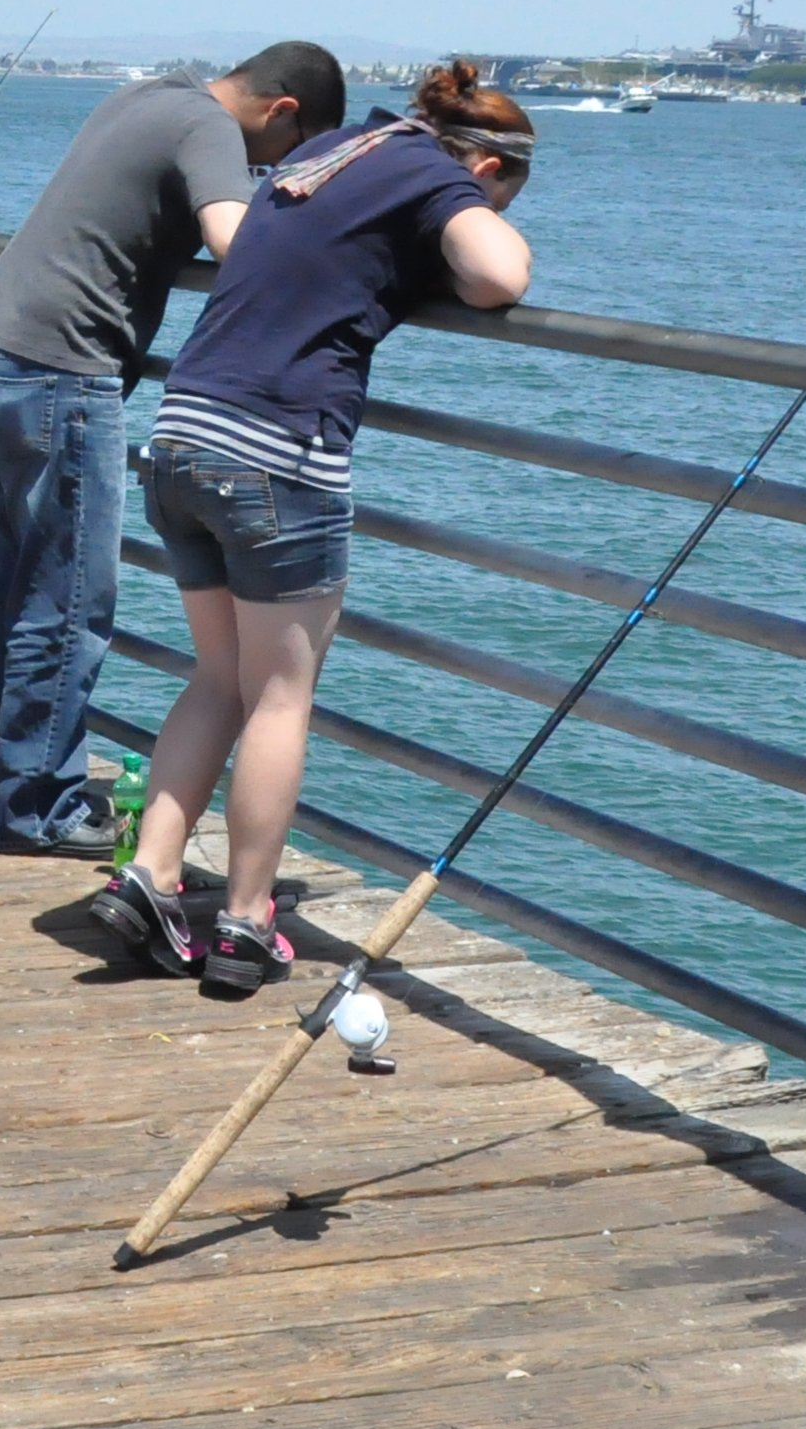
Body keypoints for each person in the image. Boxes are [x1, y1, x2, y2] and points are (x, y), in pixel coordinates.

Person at [91, 58, 536, 997]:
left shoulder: (337, 150)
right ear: (487, 170)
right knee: (279, 699)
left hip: (182, 435)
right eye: (495, 196)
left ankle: (152, 875)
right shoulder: (430, 171)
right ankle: (247, 921)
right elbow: (501, 274)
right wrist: (465, 228)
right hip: (277, 451)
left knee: (219, 676)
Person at [0, 43, 345, 857]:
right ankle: (41, 810)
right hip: (63, 375)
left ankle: (16, 789)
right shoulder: (208, 126)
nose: (268, 172)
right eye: (283, 155)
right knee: (67, 604)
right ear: (281, 111)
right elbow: (236, 240)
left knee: (18, 595)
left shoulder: (145, 96)